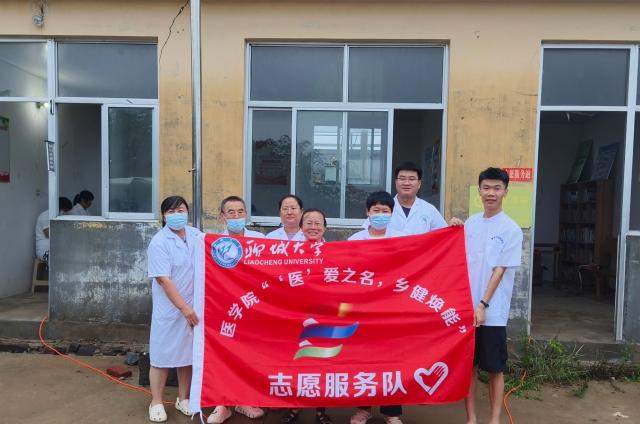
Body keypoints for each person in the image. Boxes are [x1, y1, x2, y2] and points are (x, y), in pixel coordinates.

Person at [463, 168, 523, 424]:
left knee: (495, 369)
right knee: (469, 367)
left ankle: (494, 419)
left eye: (497, 188)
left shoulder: (511, 229)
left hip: (492, 312)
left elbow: (500, 270)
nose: (491, 193)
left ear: (505, 192)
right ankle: (471, 418)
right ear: (479, 190)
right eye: (486, 188)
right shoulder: (471, 223)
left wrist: (483, 304)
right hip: (467, 307)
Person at [208, 196, 266, 423]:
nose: (236, 216)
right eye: (231, 212)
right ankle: (223, 404)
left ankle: (244, 400)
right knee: (223, 355)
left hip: (253, 307)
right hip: (225, 308)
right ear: (222, 216)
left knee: (249, 356)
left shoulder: (260, 240)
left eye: (240, 212)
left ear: (246, 214)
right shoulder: (213, 243)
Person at [147, 196, 202, 423]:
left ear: (187, 212)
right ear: (163, 216)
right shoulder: (159, 242)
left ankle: (183, 398)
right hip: (170, 309)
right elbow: (163, 280)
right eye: (171, 211)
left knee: (187, 355)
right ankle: (156, 401)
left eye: (180, 210)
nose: (177, 215)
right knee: (161, 356)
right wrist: (183, 307)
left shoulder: (196, 235)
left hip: (194, 306)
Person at [280, 208, 334, 424]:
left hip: (324, 316)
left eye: (318, 223)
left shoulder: (335, 252)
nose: (313, 227)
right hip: (295, 315)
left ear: (325, 228)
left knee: (322, 363)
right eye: (309, 223)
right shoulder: (288, 252)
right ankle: (293, 408)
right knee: (296, 362)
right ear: (301, 227)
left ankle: (321, 411)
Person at [388, 162, 447, 235]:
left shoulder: (429, 210)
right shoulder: (384, 209)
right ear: (396, 182)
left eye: (412, 179)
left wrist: (453, 227)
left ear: (419, 184)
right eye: (402, 179)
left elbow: (444, 235)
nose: (406, 183)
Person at [35, 197, 72, 264]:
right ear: (60, 208)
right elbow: (49, 234)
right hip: (44, 250)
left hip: (54, 249)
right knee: (62, 261)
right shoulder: (45, 215)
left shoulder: (55, 217)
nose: (64, 213)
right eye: (65, 211)